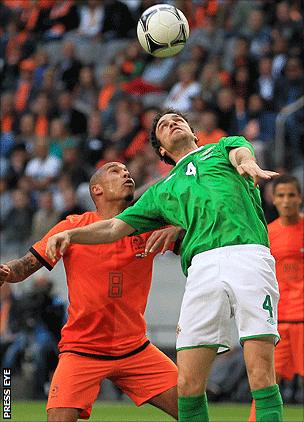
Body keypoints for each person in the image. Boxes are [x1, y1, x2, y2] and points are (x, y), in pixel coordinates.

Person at [46, 110, 284, 422]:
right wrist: (72, 233)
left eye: (177, 120)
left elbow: (242, 152)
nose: (171, 123)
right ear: (161, 150)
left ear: (193, 132)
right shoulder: (160, 191)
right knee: (186, 385)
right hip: (201, 268)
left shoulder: (223, 148)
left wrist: (246, 162)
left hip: (248, 255)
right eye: (163, 125)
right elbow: (113, 228)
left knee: (261, 373)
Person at [0, 162, 180, 422]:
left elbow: (198, 234)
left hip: (135, 348)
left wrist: (179, 227)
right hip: (82, 349)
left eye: (127, 170)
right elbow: (25, 266)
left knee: (193, 407)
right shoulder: (72, 228)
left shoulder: (149, 225)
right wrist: (7, 271)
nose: (126, 173)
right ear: (96, 190)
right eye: (115, 171)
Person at [249, 174, 303, 421]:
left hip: (303, 321)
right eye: (281, 195)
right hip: (278, 323)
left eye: (291, 194)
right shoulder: (266, 233)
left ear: (299, 198)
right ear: (273, 199)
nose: (286, 200)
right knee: (264, 385)